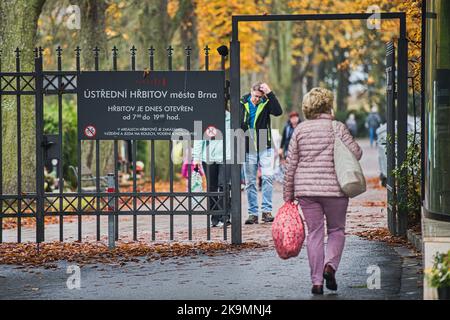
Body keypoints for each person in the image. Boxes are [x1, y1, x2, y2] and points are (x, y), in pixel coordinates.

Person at [283, 87, 362, 295]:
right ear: (329, 106)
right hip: (335, 189)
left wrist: (287, 195)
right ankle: (330, 266)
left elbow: (291, 165)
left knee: (314, 233)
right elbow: (357, 153)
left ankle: (317, 282)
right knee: (336, 230)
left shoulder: (299, 130)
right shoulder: (337, 127)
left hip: (306, 191)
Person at [241, 81, 283, 224]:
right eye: (255, 96)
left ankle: (266, 211)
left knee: (267, 178)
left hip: (265, 145)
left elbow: (278, 112)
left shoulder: (266, 102)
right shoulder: (242, 102)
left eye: (259, 96)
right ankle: (253, 213)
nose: (257, 99)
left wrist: (270, 93)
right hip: (248, 147)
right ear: (250, 91)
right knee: (250, 182)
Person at [193, 107, 231, 227]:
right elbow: (198, 139)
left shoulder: (232, 118)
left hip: (227, 157)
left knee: (224, 185)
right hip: (208, 158)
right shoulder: (206, 117)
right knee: (212, 187)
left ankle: (225, 215)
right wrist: (196, 158)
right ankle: (214, 216)